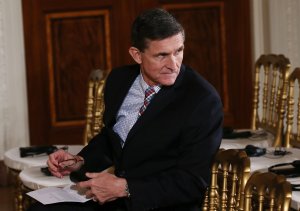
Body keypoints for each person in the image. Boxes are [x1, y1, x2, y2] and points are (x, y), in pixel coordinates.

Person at [28, 8, 223, 211]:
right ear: (137, 55)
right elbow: (113, 138)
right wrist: (80, 161)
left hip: (162, 203)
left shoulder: (202, 100)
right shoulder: (119, 80)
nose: (173, 64)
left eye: (178, 51)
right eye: (162, 55)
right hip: (119, 199)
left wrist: (126, 188)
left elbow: (193, 182)